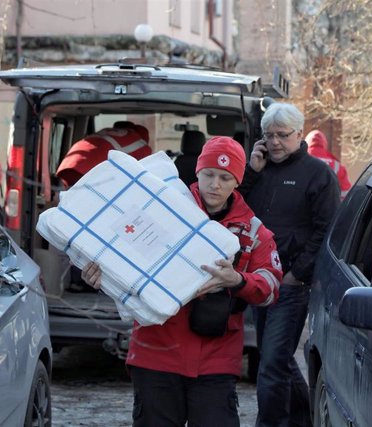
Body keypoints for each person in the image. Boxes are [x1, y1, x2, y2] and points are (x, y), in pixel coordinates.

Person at [82, 136, 283, 427]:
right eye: (209, 174)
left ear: (237, 181)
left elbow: (271, 289)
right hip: (155, 353)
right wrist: (102, 275)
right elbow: (118, 253)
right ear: (197, 172)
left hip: (215, 360)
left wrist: (237, 280)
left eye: (225, 177)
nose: (215, 184)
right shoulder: (158, 209)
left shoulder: (253, 232)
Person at [238, 103, 339, 427]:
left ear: (299, 134)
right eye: (269, 135)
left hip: (291, 284)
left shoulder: (318, 174)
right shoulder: (259, 168)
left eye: (282, 135)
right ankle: (302, 418)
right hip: (257, 281)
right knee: (275, 357)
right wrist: (252, 172)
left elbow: (327, 229)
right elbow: (233, 205)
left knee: (271, 364)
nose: (276, 142)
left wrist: (298, 274)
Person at [55, 121, 152, 188]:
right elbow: (143, 176)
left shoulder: (109, 132)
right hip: (88, 170)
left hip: (68, 164)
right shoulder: (141, 145)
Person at [305, 129, 352, 200]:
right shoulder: (337, 166)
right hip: (329, 207)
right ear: (324, 144)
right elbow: (346, 193)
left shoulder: (300, 162)